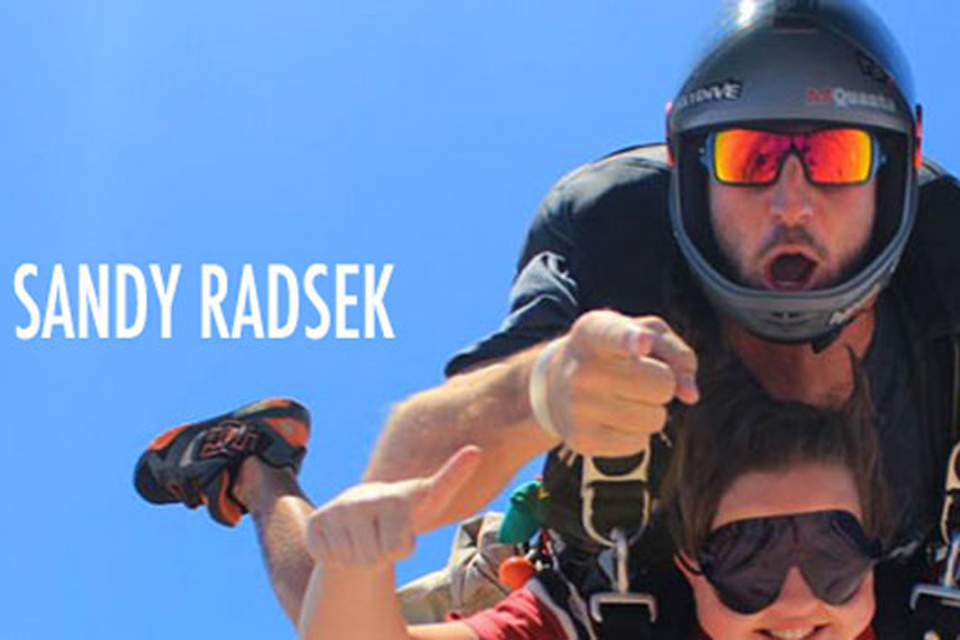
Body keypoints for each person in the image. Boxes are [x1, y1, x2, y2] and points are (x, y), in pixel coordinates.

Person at [134, 0, 960, 636]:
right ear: (687, 165)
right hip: (611, 578)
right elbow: (407, 480)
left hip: (881, 578)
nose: (791, 202)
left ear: (902, 162)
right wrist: (540, 390)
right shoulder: (614, 242)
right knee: (334, 588)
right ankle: (259, 464)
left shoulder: (947, 266)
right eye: (747, 159)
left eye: (835, 157)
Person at [297, 361, 894, 640]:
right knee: (318, 590)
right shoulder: (603, 619)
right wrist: (354, 564)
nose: (796, 606)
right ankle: (264, 469)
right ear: (692, 565)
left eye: (830, 555)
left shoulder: (916, 610)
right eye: (750, 558)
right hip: (511, 564)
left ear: (874, 555)